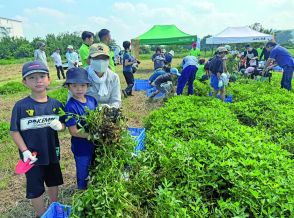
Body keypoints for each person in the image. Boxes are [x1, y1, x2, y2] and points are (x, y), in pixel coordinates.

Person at [10, 60, 65, 217]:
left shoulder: (56, 104)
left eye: (42, 76)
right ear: (24, 82)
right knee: (35, 187)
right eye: (32, 77)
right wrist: (25, 150)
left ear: (49, 79)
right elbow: (14, 131)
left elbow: (64, 125)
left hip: (51, 152)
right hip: (31, 157)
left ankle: (54, 208)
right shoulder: (20, 106)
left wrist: (60, 127)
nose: (38, 80)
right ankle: (42, 214)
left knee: (53, 181)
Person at [64, 67, 97, 190]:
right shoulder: (70, 107)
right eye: (74, 85)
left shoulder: (92, 101)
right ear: (68, 87)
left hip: (96, 144)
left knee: (95, 166)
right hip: (81, 147)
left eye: (82, 85)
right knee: (83, 171)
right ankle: (82, 191)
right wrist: (91, 135)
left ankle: (93, 188)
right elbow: (73, 131)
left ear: (87, 86)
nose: (79, 89)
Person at [86, 43, 121, 107]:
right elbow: (74, 100)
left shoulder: (114, 77)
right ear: (89, 59)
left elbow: (116, 100)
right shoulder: (82, 76)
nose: (101, 61)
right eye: (96, 58)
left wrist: (110, 109)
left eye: (104, 58)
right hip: (87, 113)